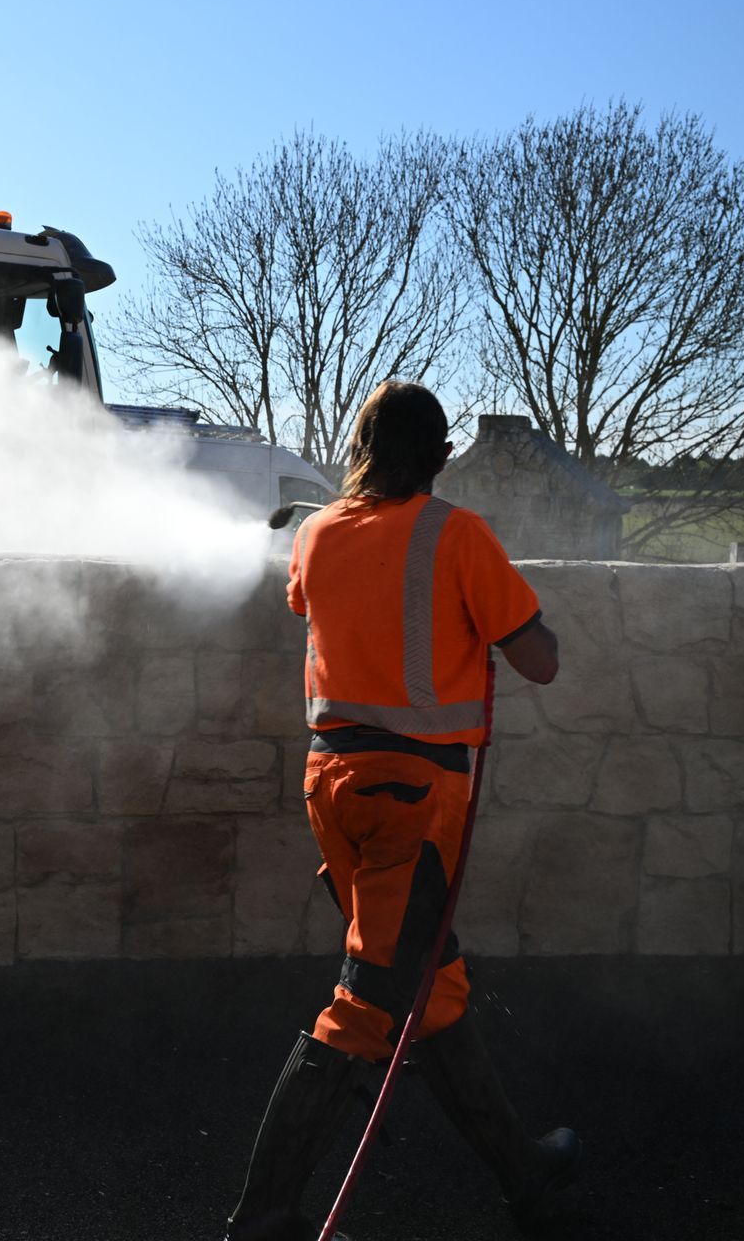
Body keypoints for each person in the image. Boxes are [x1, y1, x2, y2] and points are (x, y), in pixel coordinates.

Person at [225, 381, 581, 1240]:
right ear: (440, 453)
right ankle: (265, 1219)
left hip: (333, 787)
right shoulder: (458, 535)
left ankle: (523, 1174)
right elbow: (539, 662)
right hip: (411, 802)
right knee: (368, 1001)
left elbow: (311, 602)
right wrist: (514, 623)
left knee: (433, 984)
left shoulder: (316, 532)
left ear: (364, 446)